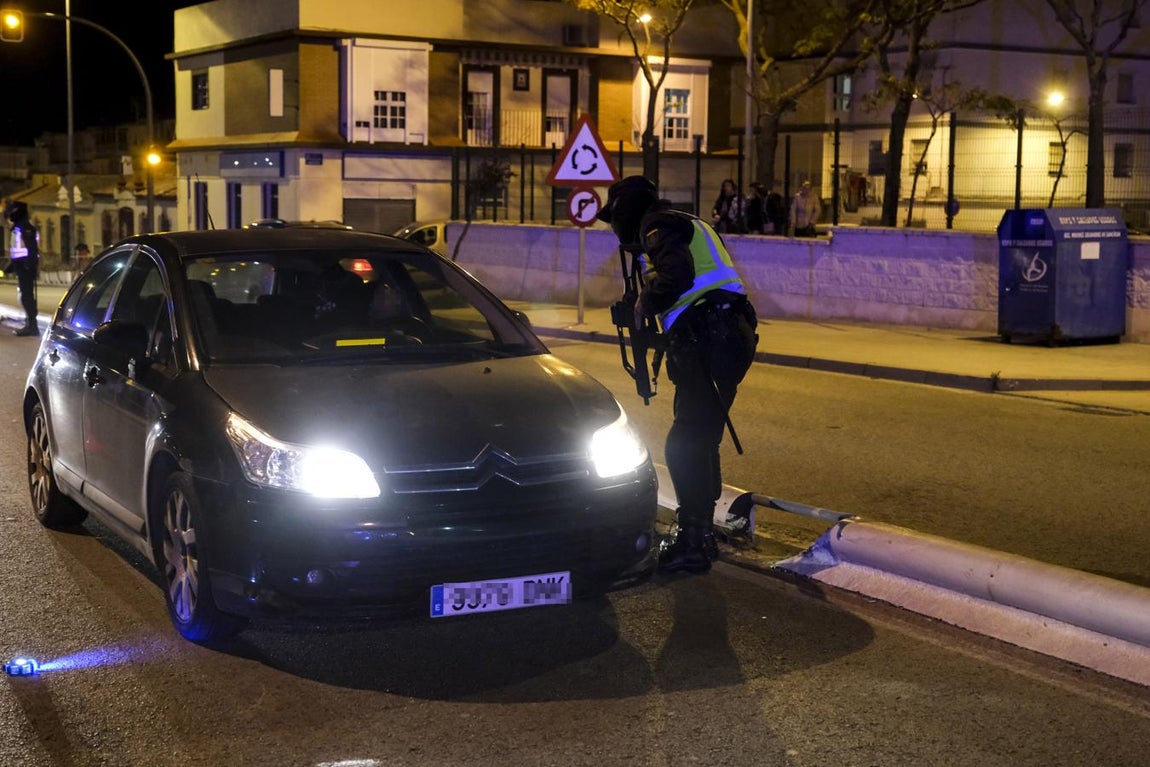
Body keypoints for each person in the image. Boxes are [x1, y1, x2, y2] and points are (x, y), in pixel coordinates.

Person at [597, 176, 759, 575]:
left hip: (710, 334)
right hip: (727, 333)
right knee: (701, 436)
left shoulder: (659, 226)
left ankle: (692, 540)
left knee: (684, 442)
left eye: (615, 218)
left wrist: (643, 303)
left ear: (625, 211)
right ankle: (700, 533)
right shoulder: (687, 221)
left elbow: (677, 277)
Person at [5, 200, 41, 336]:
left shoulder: (25, 228)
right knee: (24, 296)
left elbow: (31, 250)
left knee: (27, 297)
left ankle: (32, 326)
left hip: (25, 267)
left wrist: (28, 266)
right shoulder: (18, 227)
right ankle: (30, 323)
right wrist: (11, 267)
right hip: (21, 266)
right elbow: (18, 250)